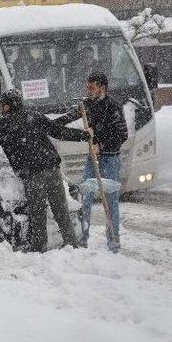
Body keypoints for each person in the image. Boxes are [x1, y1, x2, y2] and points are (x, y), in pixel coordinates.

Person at [0, 90, 92, 252]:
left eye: (2, 105)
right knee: (61, 210)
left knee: (38, 215)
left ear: (9, 106)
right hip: (52, 169)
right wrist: (84, 136)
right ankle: (72, 245)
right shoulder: (34, 117)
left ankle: (39, 249)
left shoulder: (3, 125)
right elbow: (58, 131)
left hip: (32, 175)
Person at [54, 72, 128, 252]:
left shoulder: (113, 106)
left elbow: (122, 134)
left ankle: (113, 241)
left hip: (110, 158)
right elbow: (68, 117)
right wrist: (47, 125)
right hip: (92, 159)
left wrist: (100, 145)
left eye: (91, 86)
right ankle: (83, 237)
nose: (88, 90)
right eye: (87, 86)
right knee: (85, 197)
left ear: (102, 87)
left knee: (110, 200)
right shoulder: (87, 105)